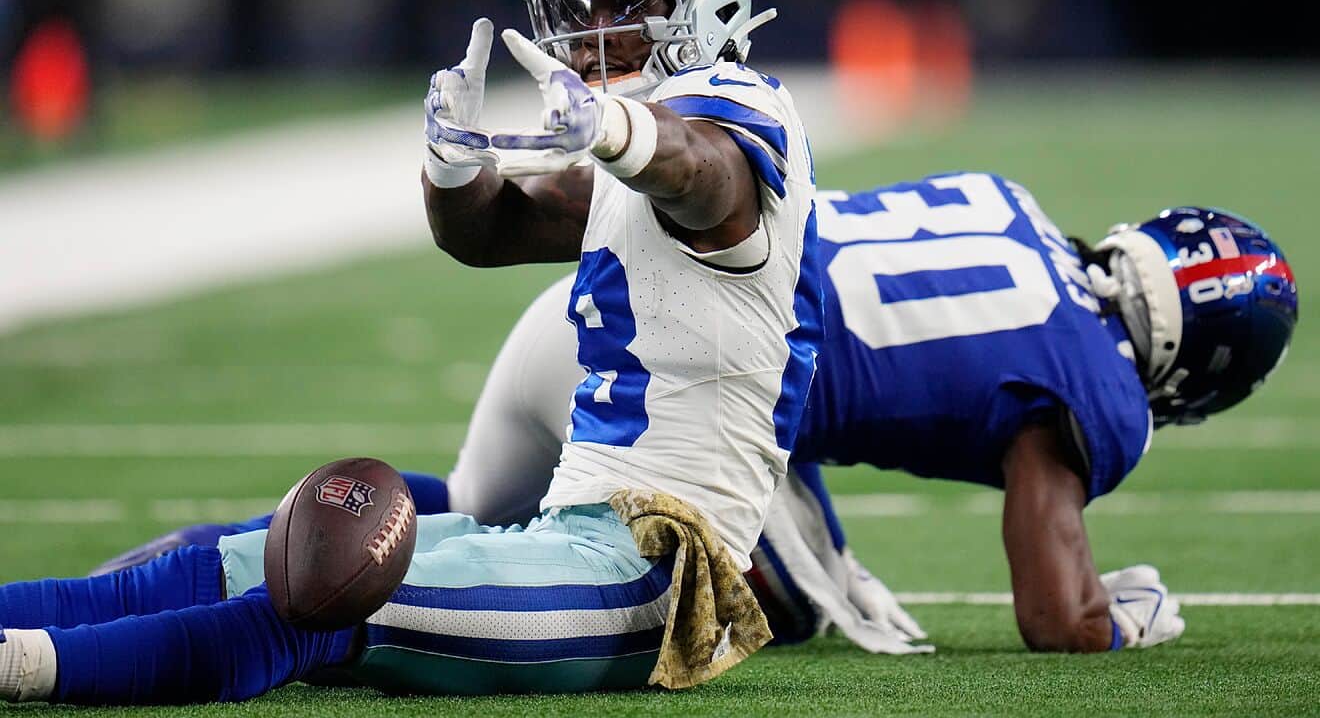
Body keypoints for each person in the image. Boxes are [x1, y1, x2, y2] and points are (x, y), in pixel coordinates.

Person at [0, 0, 822, 703]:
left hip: (656, 579)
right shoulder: (630, 166)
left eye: (621, 2)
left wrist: (617, 130)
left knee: (315, 602)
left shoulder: (742, 111)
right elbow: (487, 232)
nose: (593, 35)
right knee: (221, 564)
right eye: (578, 9)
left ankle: (22, 669)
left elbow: (701, 173)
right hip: (563, 537)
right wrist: (452, 163)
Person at [90, 175, 1299, 656]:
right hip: (678, 385)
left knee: (444, 514)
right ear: (1204, 361)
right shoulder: (1094, 387)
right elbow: (1054, 614)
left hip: (591, 319)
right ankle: (248, 618)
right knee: (758, 605)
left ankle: (183, 568)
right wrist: (1115, 620)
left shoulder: (1013, 205)